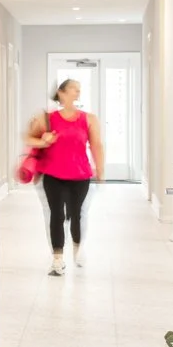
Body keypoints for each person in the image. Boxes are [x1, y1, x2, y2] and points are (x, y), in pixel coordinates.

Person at [26, 78, 103, 275]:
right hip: (53, 174)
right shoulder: (47, 118)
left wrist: (100, 169)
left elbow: (96, 145)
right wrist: (43, 141)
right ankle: (57, 259)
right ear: (61, 93)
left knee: (76, 215)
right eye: (73, 89)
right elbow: (28, 138)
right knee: (57, 215)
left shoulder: (89, 118)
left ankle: (78, 247)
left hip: (80, 175)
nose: (77, 92)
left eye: (79, 89)